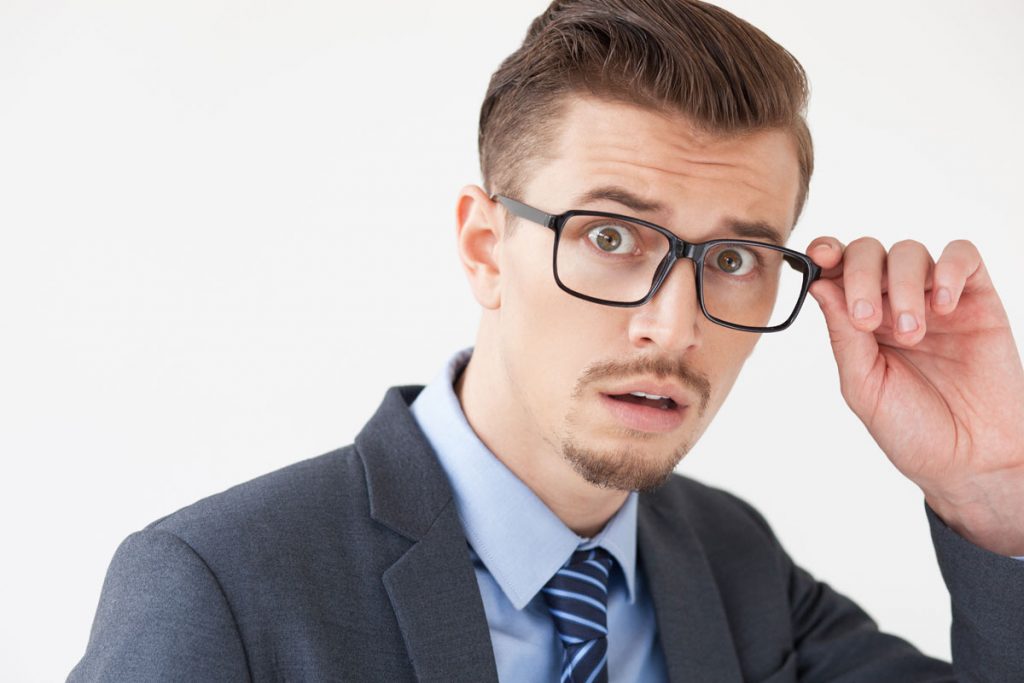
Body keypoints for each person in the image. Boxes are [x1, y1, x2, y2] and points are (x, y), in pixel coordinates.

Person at [69, 1, 1024, 681]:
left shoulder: (735, 563)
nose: (674, 325)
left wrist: (990, 489)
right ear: (486, 248)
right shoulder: (219, 586)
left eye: (734, 257)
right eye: (611, 238)